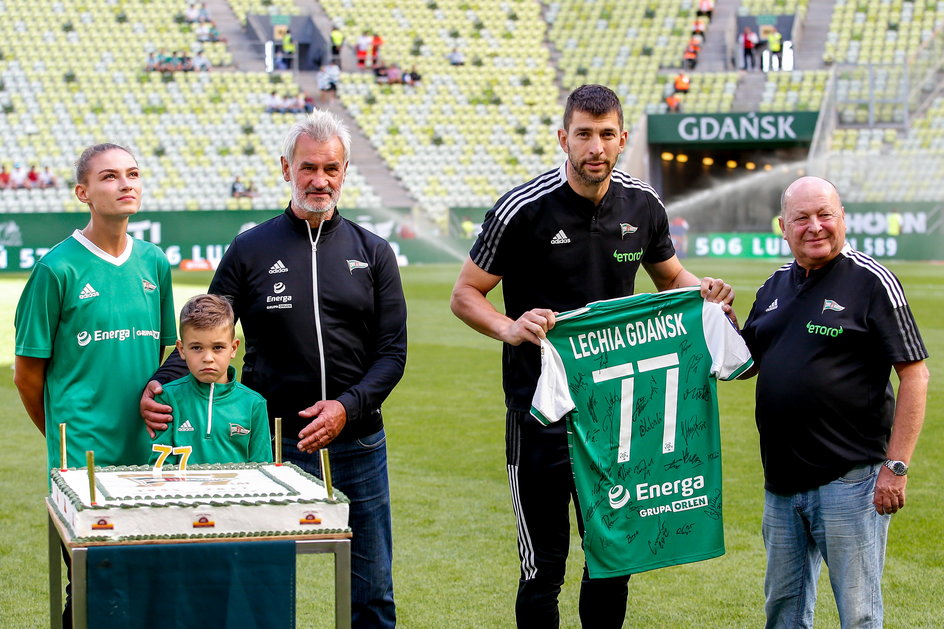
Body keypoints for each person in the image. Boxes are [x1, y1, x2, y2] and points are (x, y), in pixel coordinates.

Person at [450, 84, 734, 629]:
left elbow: (670, 277)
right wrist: (510, 328)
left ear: (623, 139)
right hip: (540, 414)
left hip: (615, 415)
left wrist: (707, 297)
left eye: (607, 135)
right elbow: (466, 294)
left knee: (612, 560)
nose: (595, 147)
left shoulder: (643, 205)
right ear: (564, 138)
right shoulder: (522, 209)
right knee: (543, 567)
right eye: (583, 134)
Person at [140, 110, 407, 629]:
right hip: (270, 443)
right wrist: (163, 382)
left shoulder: (373, 253)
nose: (320, 180)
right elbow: (206, 329)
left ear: (345, 170)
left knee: (372, 588)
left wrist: (346, 408)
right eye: (308, 167)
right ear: (286, 168)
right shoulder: (251, 247)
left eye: (331, 168)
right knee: (260, 582)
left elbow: (392, 354)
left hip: (358, 443)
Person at [739, 176, 930, 628]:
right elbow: (745, 364)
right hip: (781, 485)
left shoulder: (871, 281)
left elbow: (915, 375)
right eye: (801, 218)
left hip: (850, 484)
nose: (815, 226)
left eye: (825, 214)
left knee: (859, 614)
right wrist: (717, 314)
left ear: (843, 219)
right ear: (783, 227)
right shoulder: (773, 286)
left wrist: (896, 467)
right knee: (783, 612)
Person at [14, 143, 176, 628]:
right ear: (84, 192)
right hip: (82, 460)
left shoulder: (155, 263)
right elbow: (26, 375)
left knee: (146, 585)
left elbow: (166, 358)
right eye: (110, 177)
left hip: (148, 456)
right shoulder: (55, 269)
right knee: (96, 587)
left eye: (133, 173)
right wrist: (64, 435)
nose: (125, 183)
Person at [149, 294, 270, 467]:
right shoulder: (167, 398)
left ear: (234, 348)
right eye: (196, 347)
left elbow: (262, 470)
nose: (208, 358)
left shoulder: (254, 404)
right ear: (181, 350)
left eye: (218, 347)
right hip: (184, 493)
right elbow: (160, 467)